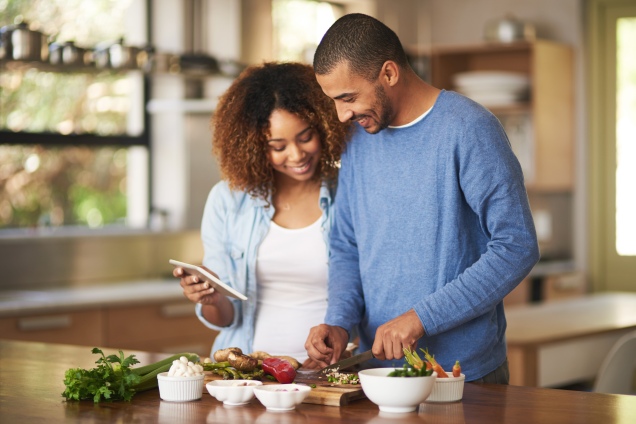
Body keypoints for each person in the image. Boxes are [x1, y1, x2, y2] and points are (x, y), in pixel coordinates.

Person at [304, 13, 540, 383]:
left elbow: (517, 246)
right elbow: (347, 246)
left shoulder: (469, 129)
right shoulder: (356, 143)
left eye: (348, 97)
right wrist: (339, 322)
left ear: (389, 73)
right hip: (376, 375)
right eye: (334, 100)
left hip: (461, 375)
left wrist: (421, 318)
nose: (341, 114)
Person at [174, 62, 350, 368]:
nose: (296, 155)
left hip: (327, 373)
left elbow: (360, 292)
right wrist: (211, 298)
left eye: (305, 137)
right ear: (254, 146)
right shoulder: (228, 201)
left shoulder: (348, 192)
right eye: (277, 146)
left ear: (324, 126)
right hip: (247, 374)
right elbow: (226, 319)